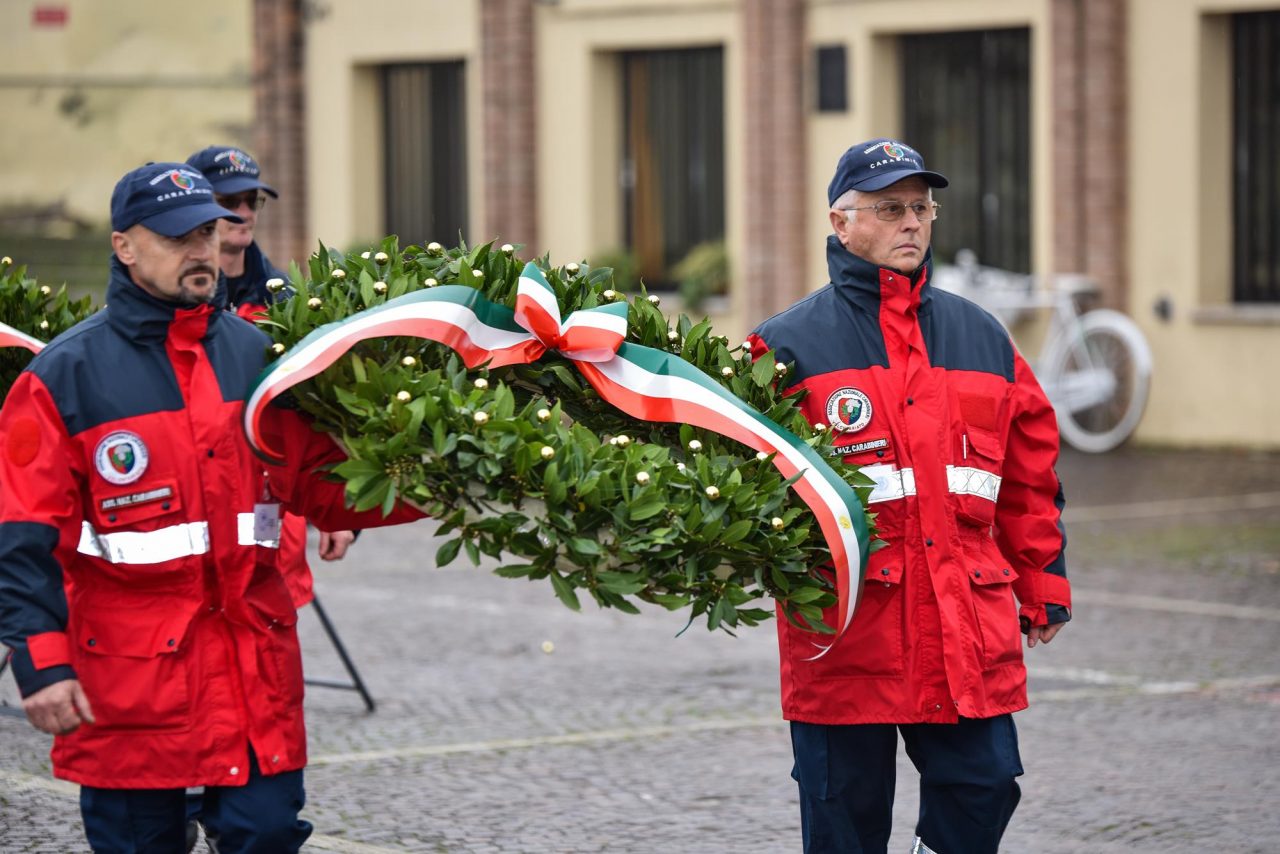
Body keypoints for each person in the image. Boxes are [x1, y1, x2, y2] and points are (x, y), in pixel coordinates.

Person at [0, 162, 422, 852]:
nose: (201, 251)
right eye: (177, 238)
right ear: (124, 247)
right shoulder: (66, 376)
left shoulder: (261, 357)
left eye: (207, 232)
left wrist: (435, 485)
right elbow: (20, 534)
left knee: (266, 835)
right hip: (134, 685)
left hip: (250, 670)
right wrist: (42, 664)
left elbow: (316, 484)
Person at [747, 138, 1071, 854]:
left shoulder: (981, 335)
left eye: (922, 208)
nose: (912, 224)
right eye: (890, 209)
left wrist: (1042, 579)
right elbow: (742, 488)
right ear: (841, 223)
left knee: (987, 786)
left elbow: (1028, 475)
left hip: (964, 620)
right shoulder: (785, 346)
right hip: (845, 631)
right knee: (844, 826)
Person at [184, 144, 351, 608]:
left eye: (251, 202)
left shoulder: (290, 302)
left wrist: (339, 511)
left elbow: (320, 406)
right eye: (228, 202)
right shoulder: (170, 301)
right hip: (194, 524)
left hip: (274, 526)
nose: (243, 213)